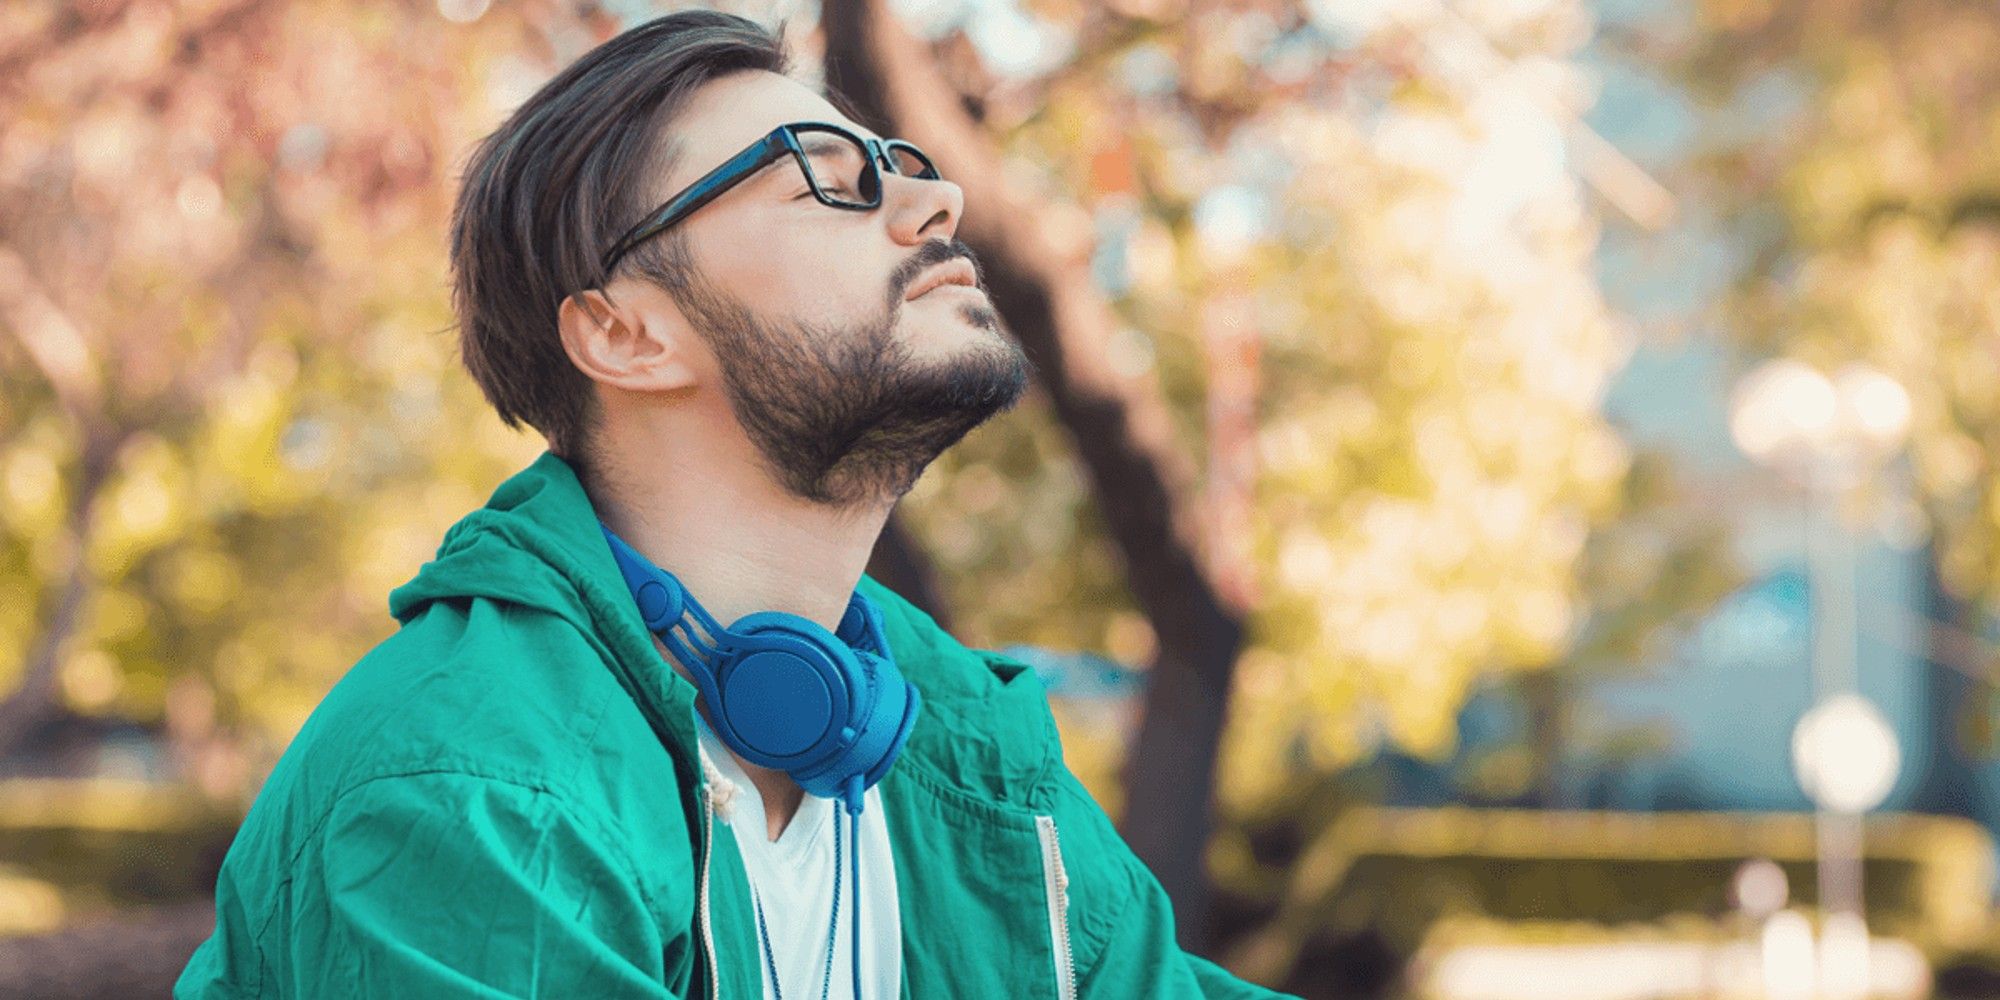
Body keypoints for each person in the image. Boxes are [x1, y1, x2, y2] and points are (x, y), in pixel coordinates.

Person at [176, 9, 1296, 999]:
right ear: (626, 332)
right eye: (824, 174)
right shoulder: (468, 790)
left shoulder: (962, 746)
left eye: (896, 162)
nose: (934, 197)